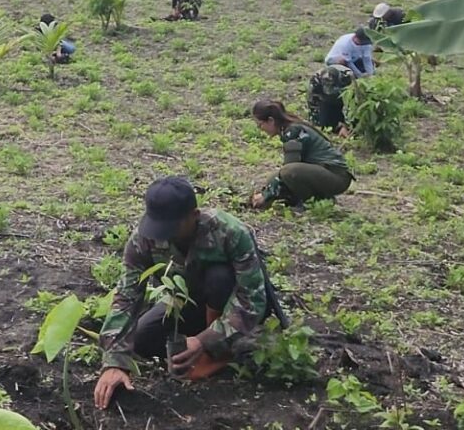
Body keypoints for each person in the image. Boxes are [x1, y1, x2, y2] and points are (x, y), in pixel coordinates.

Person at [93, 178, 280, 410]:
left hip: (231, 305)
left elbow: (252, 300)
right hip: (185, 302)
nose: (164, 235)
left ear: (194, 215)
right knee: (142, 338)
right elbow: (126, 297)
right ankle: (194, 347)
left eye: (171, 227)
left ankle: (220, 353)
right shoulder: (144, 238)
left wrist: (204, 341)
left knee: (218, 278)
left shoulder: (230, 232)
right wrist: (114, 363)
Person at [248, 99, 353, 208]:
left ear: (270, 120)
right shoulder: (290, 128)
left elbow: (289, 170)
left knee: (288, 172)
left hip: (336, 176)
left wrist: (266, 195)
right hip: (327, 172)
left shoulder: (292, 131)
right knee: (273, 178)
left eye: (260, 125)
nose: (261, 129)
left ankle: (315, 200)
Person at [307, 64, 354, 133]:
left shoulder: (347, 77)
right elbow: (313, 104)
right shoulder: (315, 80)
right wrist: (316, 123)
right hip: (325, 101)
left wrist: (347, 125)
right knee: (323, 124)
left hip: (344, 99)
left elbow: (352, 104)